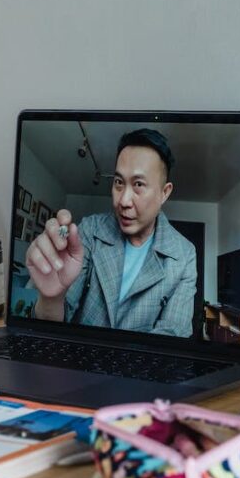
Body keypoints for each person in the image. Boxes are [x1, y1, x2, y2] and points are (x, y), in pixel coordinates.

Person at [25, 128, 197, 337]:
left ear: (164, 192)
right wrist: (51, 298)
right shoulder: (90, 230)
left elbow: (173, 334)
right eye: (118, 182)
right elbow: (56, 325)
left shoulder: (185, 255)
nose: (123, 201)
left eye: (139, 184)